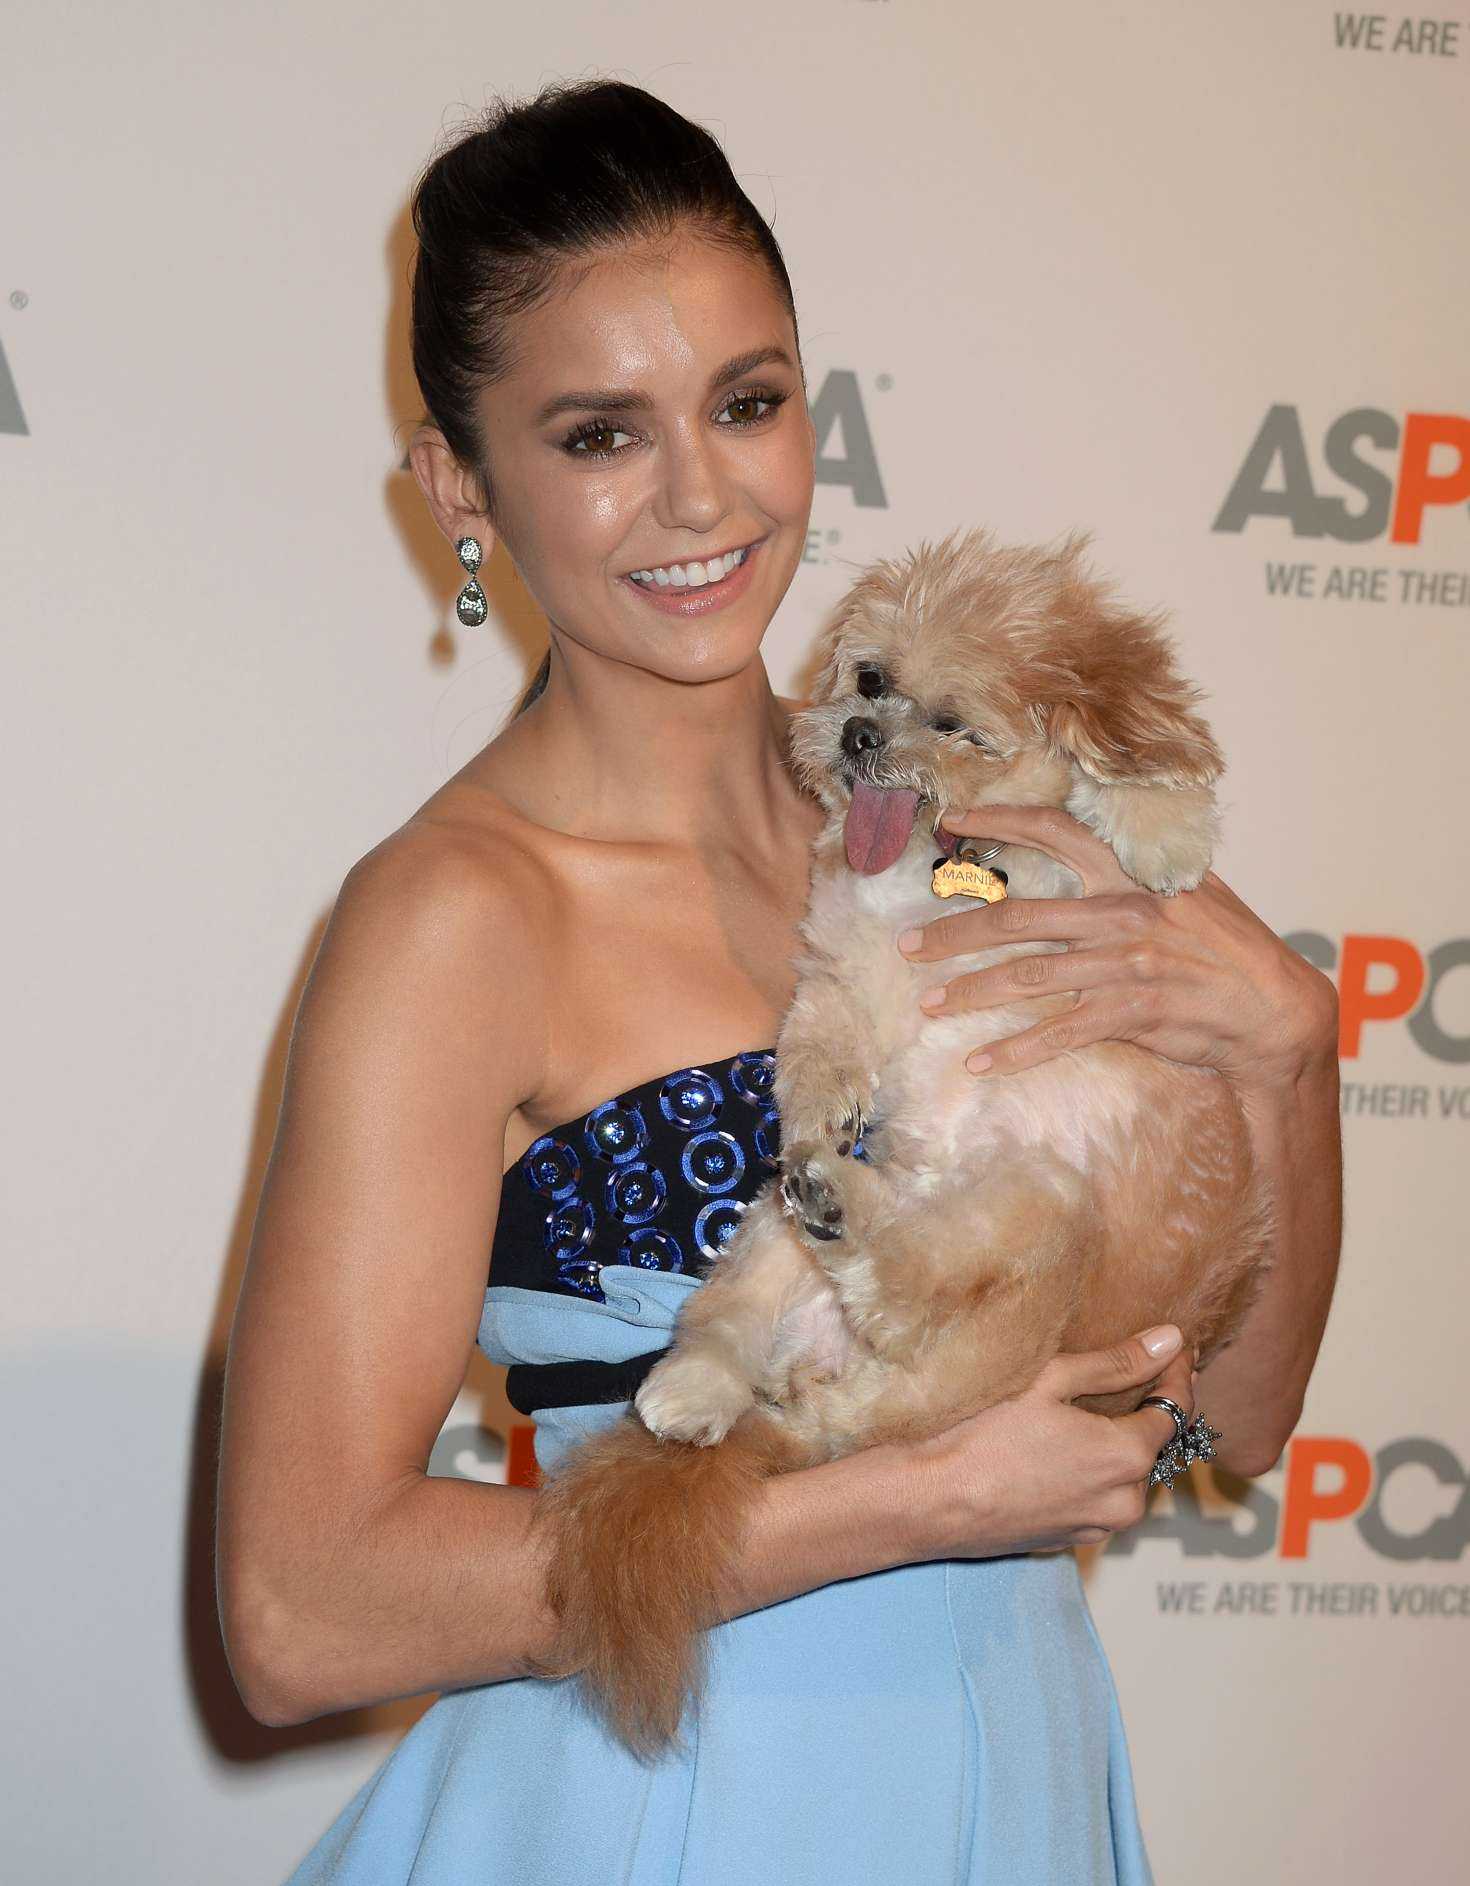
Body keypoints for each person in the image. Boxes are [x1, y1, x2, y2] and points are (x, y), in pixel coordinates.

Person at [215, 78, 1343, 1885]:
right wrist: (906, 1499)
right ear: (460, 486)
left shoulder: (970, 796)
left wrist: (1288, 1058)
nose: (700, 494)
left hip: (1013, 1773)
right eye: (599, 434)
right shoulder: (457, 916)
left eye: (745, 402)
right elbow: (300, 1606)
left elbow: (1231, 1418)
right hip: (675, 1804)